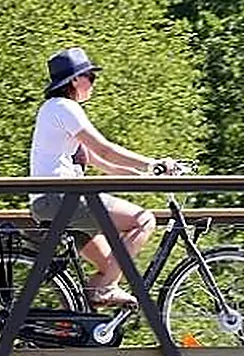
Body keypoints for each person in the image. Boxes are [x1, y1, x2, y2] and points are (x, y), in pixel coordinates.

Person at [28, 48, 180, 308]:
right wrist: (153, 162)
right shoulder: (64, 107)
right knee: (143, 221)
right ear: (74, 81)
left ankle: (76, 321)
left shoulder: (54, 111)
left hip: (50, 203)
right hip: (62, 199)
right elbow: (105, 149)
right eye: (90, 76)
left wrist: (144, 174)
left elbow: (102, 163)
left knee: (111, 263)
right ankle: (106, 289)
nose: (93, 83)